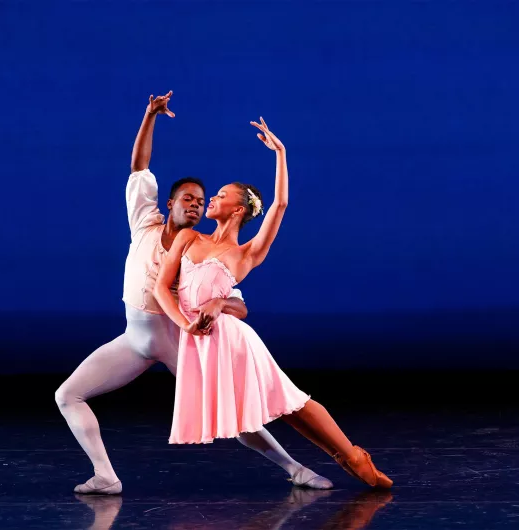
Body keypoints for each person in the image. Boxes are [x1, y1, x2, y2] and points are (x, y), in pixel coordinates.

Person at [55, 92, 332, 495]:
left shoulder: (197, 243)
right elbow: (139, 167)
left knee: (235, 416)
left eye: (203, 203)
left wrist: (220, 307)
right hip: (135, 338)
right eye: (189, 199)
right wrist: (150, 115)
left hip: (181, 339)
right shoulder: (145, 224)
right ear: (170, 203)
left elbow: (227, 289)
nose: (197, 206)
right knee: (68, 395)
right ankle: (106, 476)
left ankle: (296, 469)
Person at [155, 117, 393, 489]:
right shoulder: (188, 238)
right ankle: (344, 457)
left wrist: (280, 154)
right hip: (199, 341)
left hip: (233, 342)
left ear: (238, 210)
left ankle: (352, 457)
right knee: (278, 409)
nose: (211, 199)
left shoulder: (246, 253)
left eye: (220, 195)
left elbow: (280, 204)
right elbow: (161, 289)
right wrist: (185, 324)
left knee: (290, 403)